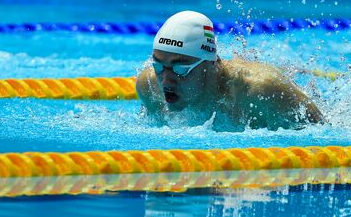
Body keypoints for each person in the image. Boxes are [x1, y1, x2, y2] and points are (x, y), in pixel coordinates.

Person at [136, 11, 324, 131]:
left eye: (180, 69)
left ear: (210, 63)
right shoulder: (149, 86)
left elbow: (322, 132)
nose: (166, 81)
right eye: (159, 66)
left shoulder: (261, 91)